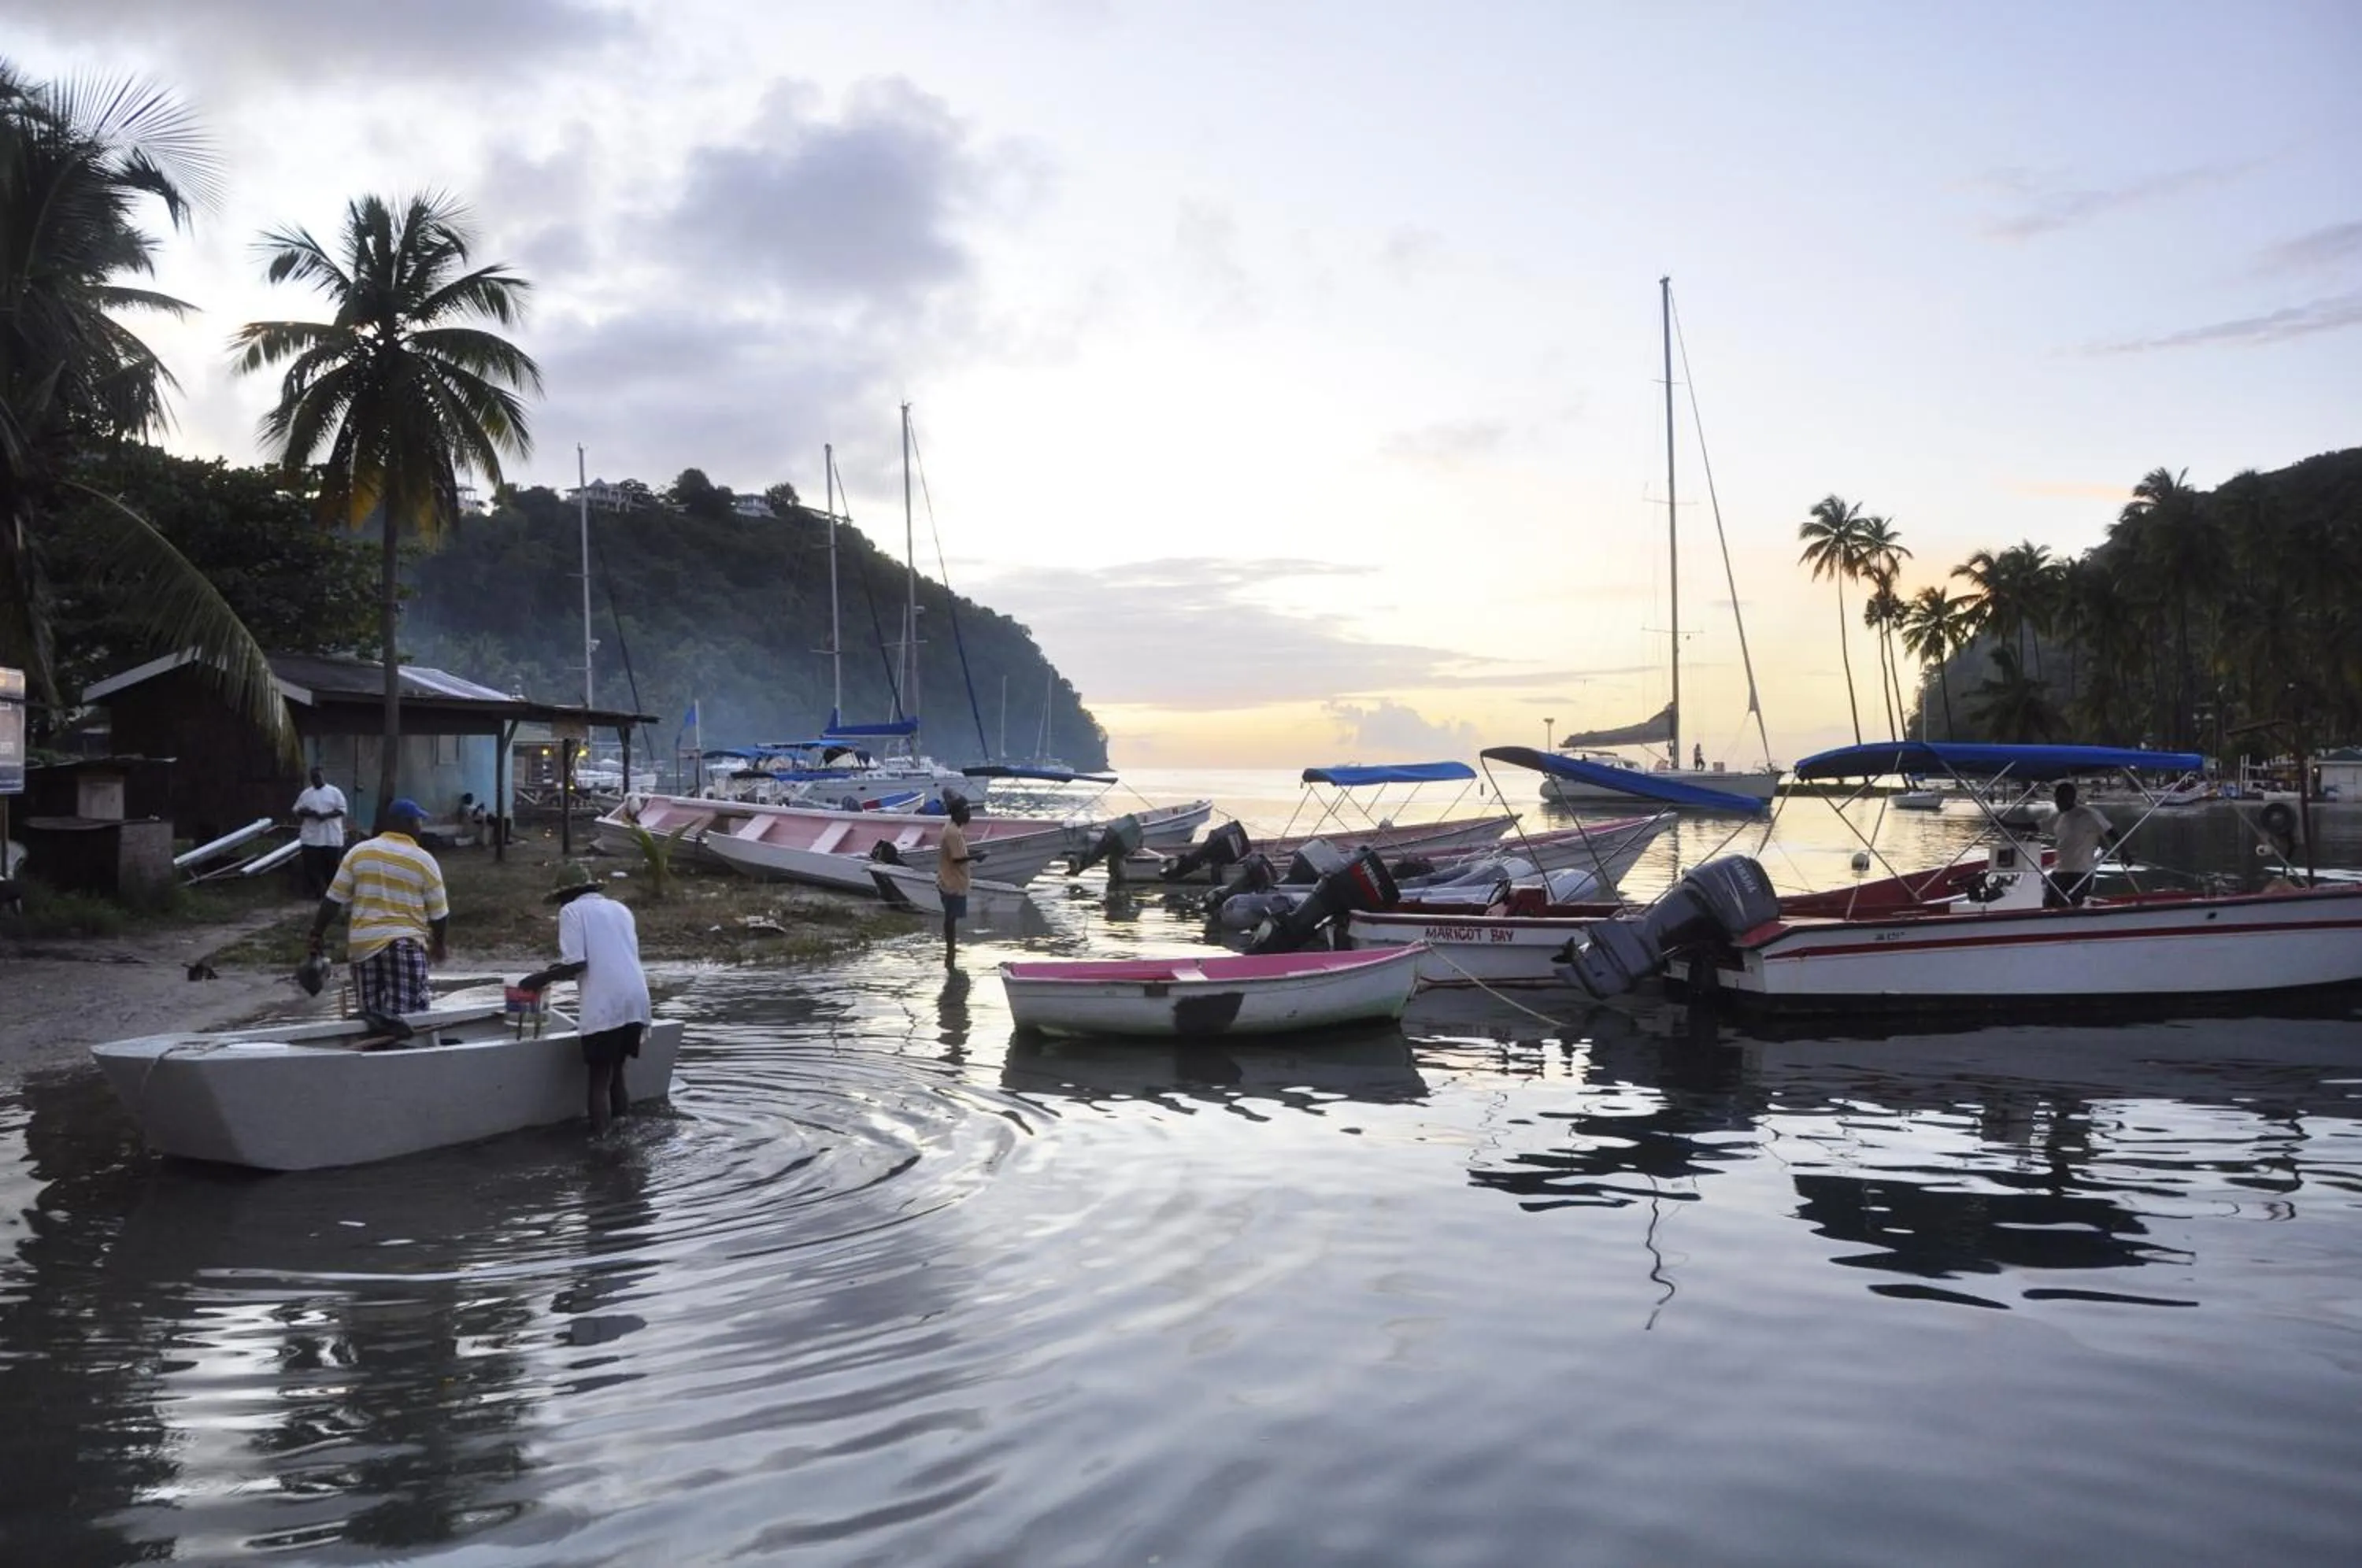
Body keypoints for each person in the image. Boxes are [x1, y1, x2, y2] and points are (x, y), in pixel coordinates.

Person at [520, 862, 653, 1135]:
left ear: (567, 896)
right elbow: (606, 956)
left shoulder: (572, 911)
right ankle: (624, 1132)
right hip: (636, 998)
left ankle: (603, 1146)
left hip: (605, 1003)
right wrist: (552, 972)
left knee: (598, 1080)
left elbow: (577, 963)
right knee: (617, 1071)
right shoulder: (620, 909)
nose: (559, 907)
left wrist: (539, 980)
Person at [309, 797, 446, 1025]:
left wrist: (316, 933)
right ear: (408, 824)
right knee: (408, 1021)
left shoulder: (359, 853)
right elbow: (439, 914)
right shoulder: (424, 861)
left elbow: (333, 900)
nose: (421, 827)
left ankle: (374, 1057)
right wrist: (439, 944)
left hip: (364, 948)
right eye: (418, 821)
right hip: (405, 946)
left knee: (372, 1021)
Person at [2046, 781, 2118, 906]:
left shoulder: (2089, 815)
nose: (2057, 802)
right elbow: (2038, 825)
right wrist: (2007, 824)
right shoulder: (2060, 816)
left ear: (2071, 798)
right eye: (2056, 798)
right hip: (2060, 870)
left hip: (2081, 872)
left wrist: (2124, 853)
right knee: (2049, 903)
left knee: (2073, 904)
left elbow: (2110, 831)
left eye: (2061, 799)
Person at [291, 766, 348, 897]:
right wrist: (311, 813)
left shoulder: (335, 792)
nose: (316, 780)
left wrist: (326, 816)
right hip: (311, 838)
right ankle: (317, 892)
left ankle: (333, 894)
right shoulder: (306, 794)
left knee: (331, 867)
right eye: (314, 778)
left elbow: (342, 810)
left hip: (331, 837)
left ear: (323, 777)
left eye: (318, 777)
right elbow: (297, 810)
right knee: (311, 867)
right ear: (311, 779)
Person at [936, 796, 979, 967]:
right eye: (966, 811)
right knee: (951, 918)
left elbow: (960, 852)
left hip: (950, 879)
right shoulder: (953, 832)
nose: (969, 814)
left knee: (951, 917)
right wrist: (977, 857)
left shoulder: (953, 828)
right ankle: (950, 952)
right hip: (952, 881)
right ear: (958, 813)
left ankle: (951, 951)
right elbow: (957, 859)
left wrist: (973, 852)